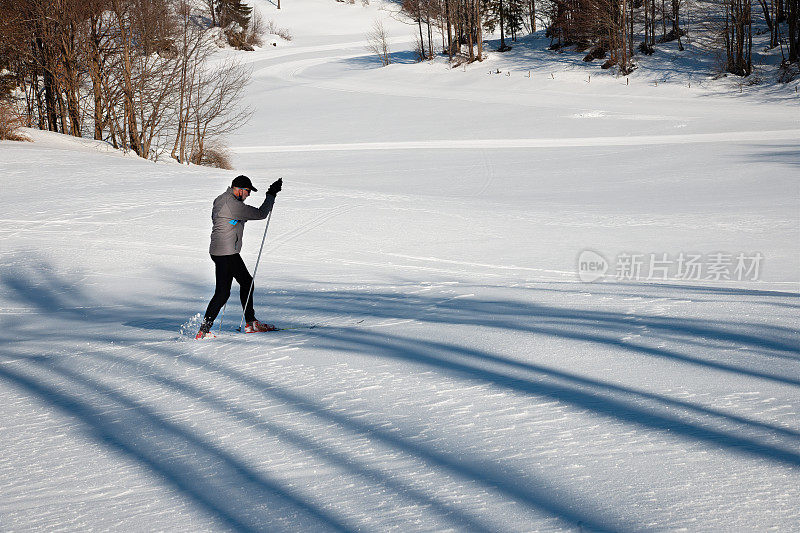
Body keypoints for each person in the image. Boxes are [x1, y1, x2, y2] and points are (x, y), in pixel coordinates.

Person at [196, 175, 283, 339]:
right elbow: (261, 213)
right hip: (227, 252)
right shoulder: (232, 205)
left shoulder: (222, 199)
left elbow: (232, 218)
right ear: (239, 189)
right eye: (248, 191)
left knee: (224, 292)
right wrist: (271, 194)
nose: (249, 195)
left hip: (220, 251)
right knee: (244, 284)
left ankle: (204, 330)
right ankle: (250, 323)